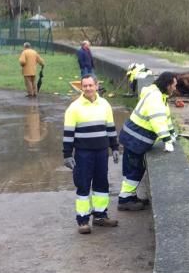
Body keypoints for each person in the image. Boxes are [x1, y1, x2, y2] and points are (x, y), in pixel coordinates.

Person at [63, 75, 120, 234]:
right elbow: (68, 134)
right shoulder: (74, 108)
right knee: (83, 184)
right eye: (85, 86)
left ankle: (100, 216)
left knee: (102, 184)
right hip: (83, 153)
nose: (88, 88)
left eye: (90, 85)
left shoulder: (105, 105)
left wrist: (114, 147)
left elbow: (110, 128)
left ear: (96, 85)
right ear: (81, 88)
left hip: (102, 152)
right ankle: (82, 221)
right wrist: (67, 154)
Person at [118, 71, 177, 211]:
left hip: (133, 138)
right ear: (168, 85)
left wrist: (172, 133)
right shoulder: (156, 98)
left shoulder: (159, 95)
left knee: (134, 169)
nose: (175, 88)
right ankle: (125, 200)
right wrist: (167, 140)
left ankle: (130, 196)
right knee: (134, 170)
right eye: (174, 85)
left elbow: (165, 118)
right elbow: (157, 120)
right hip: (135, 140)